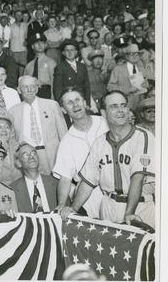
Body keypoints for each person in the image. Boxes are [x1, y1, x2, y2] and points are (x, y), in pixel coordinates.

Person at [60, 91, 155, 228]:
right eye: (114, 106)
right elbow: (87, 181)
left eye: (123, 105)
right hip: (109, 207)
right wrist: (73, 208)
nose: (120, 110)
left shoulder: (144, 137)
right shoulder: (99, 143)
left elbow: (138, 177)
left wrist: (129, 213)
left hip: (140, 207)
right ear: (104, 113)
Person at [52, 88, 109, 218]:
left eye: (77, 100)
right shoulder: (66, 142)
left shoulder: (104, 123)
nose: (75, 104)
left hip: (114, 189)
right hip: (89, 197)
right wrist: (61, 204)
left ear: (84, 102)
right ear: (64, 110)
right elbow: (65, 178)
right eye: (69, 102)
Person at [8, 76, 67, 174]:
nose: (30, 90)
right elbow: (12, 140)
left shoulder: (52, 105)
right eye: (25, 87)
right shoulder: (13, 111)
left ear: (37, 88)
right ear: (19, 90)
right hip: (28, 158)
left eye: (33, 86)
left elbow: (64, 135)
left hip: (52, 155)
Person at [11, 142, 58, 213]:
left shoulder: (56, 184)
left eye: (33, 153)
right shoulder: (12, 190)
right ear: (19, 163)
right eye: (26, 155)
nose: (31, 156)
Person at [107, 43, 147, 111]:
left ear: (139, 56)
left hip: (140, 106)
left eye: (136, 54)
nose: (134, 56)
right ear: (126, 56)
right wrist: (127, 89)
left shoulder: (141, 69)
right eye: (131, 54)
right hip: (124, 105)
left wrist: (146, 85)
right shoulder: (118, 69)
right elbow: (110, 87)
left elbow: (145, 86)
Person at [53, 39, 91, 106]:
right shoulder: (60, 67)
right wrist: (61, 105)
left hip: (81, 100)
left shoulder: (82, 66)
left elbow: (87, 87)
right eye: (67, 50)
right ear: (63, 53)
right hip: (68, 101)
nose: (70, 52)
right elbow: (57, 88)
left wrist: (87, 103)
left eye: (72, 50)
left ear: (76, 52)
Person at [23, 32, 56, 99]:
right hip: (32, 94)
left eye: (42, 42)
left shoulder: (51, 62)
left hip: (46, 93)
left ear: (45, 45)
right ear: (32, 46)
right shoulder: (29, 65)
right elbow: (24, 83)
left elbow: (54, 82)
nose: (39, 45)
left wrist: (53, 99)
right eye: (36, 43)